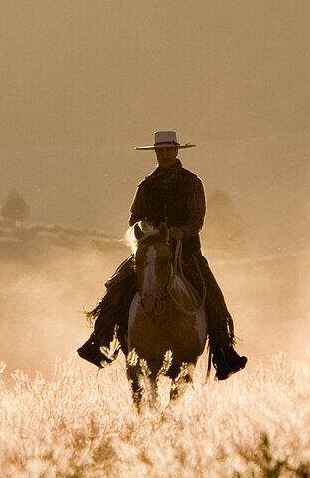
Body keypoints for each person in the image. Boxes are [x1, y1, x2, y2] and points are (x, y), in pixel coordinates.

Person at [77, 131, 247, 380]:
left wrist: (182, 231)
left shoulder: (192, 182)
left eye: (169, 150)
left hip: (186, 252)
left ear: (176, 151)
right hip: (150, 249)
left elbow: (197, 218)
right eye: (161, 151)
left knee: (214, 299)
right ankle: (99, 342)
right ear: (157, 153)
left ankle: (224, 354)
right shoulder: (146, 185)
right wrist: (147, 231)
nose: (165, 154)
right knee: (115, 290)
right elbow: (134, 218)